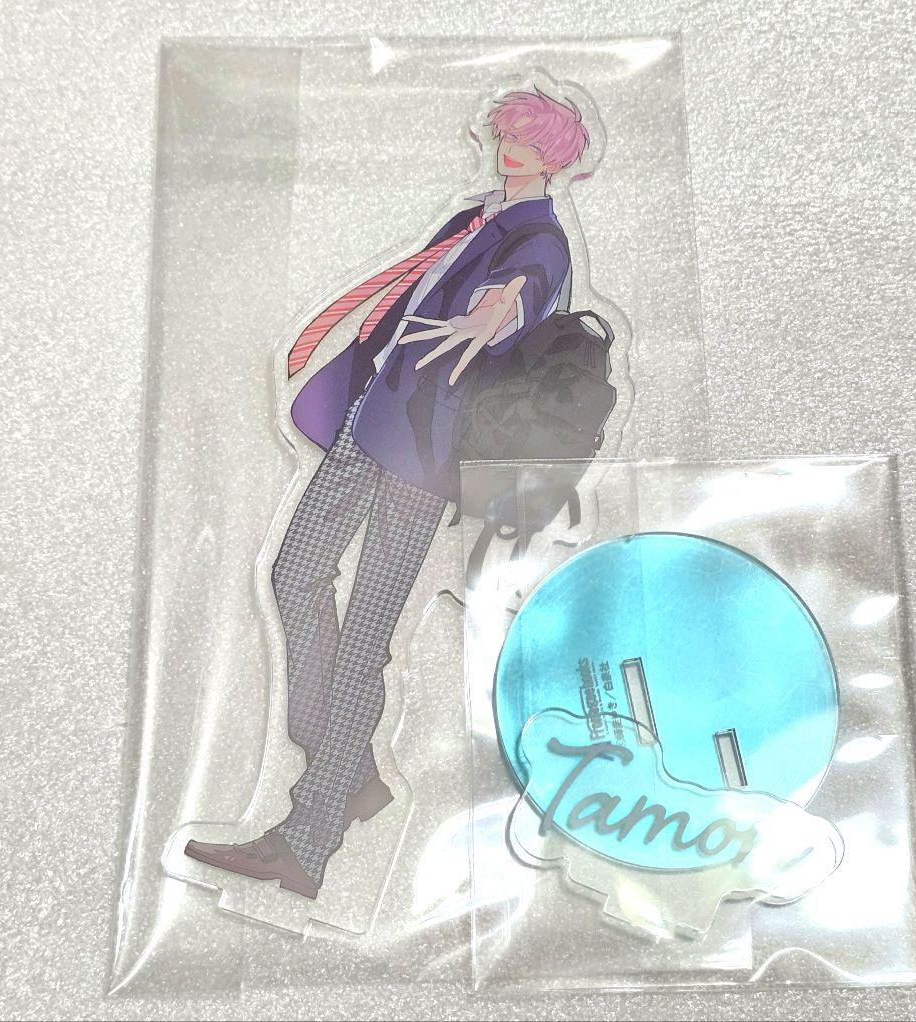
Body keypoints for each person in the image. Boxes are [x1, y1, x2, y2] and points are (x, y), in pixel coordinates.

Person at [186, 87, 591, 899]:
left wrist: (490, 319)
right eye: (502, 134)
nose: (504, 147)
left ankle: (309, 840)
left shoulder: (540, 239)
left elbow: (517, 294)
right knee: (292, 572)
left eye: (522, 141)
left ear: (552, 158)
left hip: (424, 450)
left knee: (368, 631)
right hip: (367, 422)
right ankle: (349, 767)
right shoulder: (474, 218)